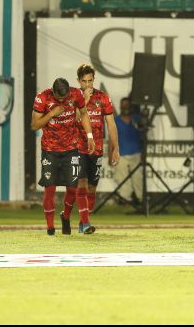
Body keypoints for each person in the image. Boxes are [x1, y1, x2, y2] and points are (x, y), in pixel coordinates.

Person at [31, 78, 94, 235]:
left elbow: (84, 114)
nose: (61, 101)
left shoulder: (76, 94)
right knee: (50, 188)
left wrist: (90, 136)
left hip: (71, 149)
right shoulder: (42, 98)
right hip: (50, 150)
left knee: (72, 189)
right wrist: (52, 113)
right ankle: (50, 227)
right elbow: (34, 125)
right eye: (58, 98)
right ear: (53, 92)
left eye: (63, 98)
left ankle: (65, 216)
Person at [65, 64, 119, 235]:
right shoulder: (72, 97)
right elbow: (71, 121)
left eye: (90, 81)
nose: (87, 85)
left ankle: (82, 222)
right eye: (84, 81)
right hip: (78, 147)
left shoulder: (103, 97)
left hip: (96, 149)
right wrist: (85, 101)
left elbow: (111, 124)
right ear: (78, 80)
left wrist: (115, 148)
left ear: (94, 79)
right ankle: (86, 223)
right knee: (81, 183)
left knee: (92, 189)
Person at [112, 98, 143, 206]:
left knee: (138, 177)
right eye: (123, 105)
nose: (125, 107)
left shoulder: (137, 120)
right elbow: (112, 139)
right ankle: (125, 199)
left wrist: (143, 154)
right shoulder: (116, 121)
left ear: (131, 106)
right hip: (121, 154)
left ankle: (140, 199)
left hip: (136, 153)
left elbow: (143, 137)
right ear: (120, 107)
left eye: (127, 105)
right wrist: (111, 155)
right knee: (122, 177)